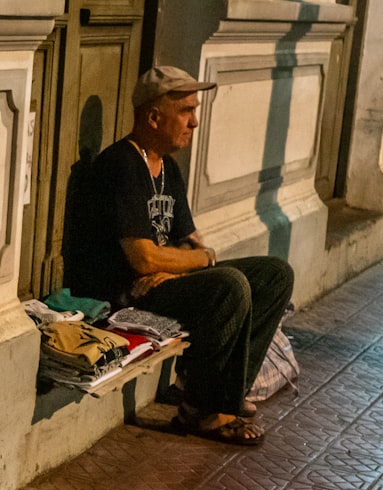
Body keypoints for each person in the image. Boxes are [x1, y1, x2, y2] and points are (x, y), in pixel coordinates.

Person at [67, 66, 294, 446]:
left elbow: (191, 243)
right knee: (230, 285)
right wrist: (197, 263)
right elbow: (142, 259)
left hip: (162, 283)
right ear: (154, 117)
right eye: (186, 111)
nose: (195, 122)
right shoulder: (121, 165)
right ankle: (203, 411)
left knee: (274, 275)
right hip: (127, 294)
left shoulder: (167, 168)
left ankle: (224, 392)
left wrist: (186, 263)